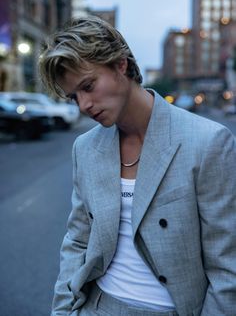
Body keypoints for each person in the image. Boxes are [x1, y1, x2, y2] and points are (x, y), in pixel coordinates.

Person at [39, 16, 236, 316]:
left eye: (88, 86)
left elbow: (227, 267)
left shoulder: (208, 142)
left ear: (120, 64)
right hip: (97, 305)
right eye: (74, 96)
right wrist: (64, 310)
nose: (83, 105)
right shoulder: (86, 147)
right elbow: (78, 240)